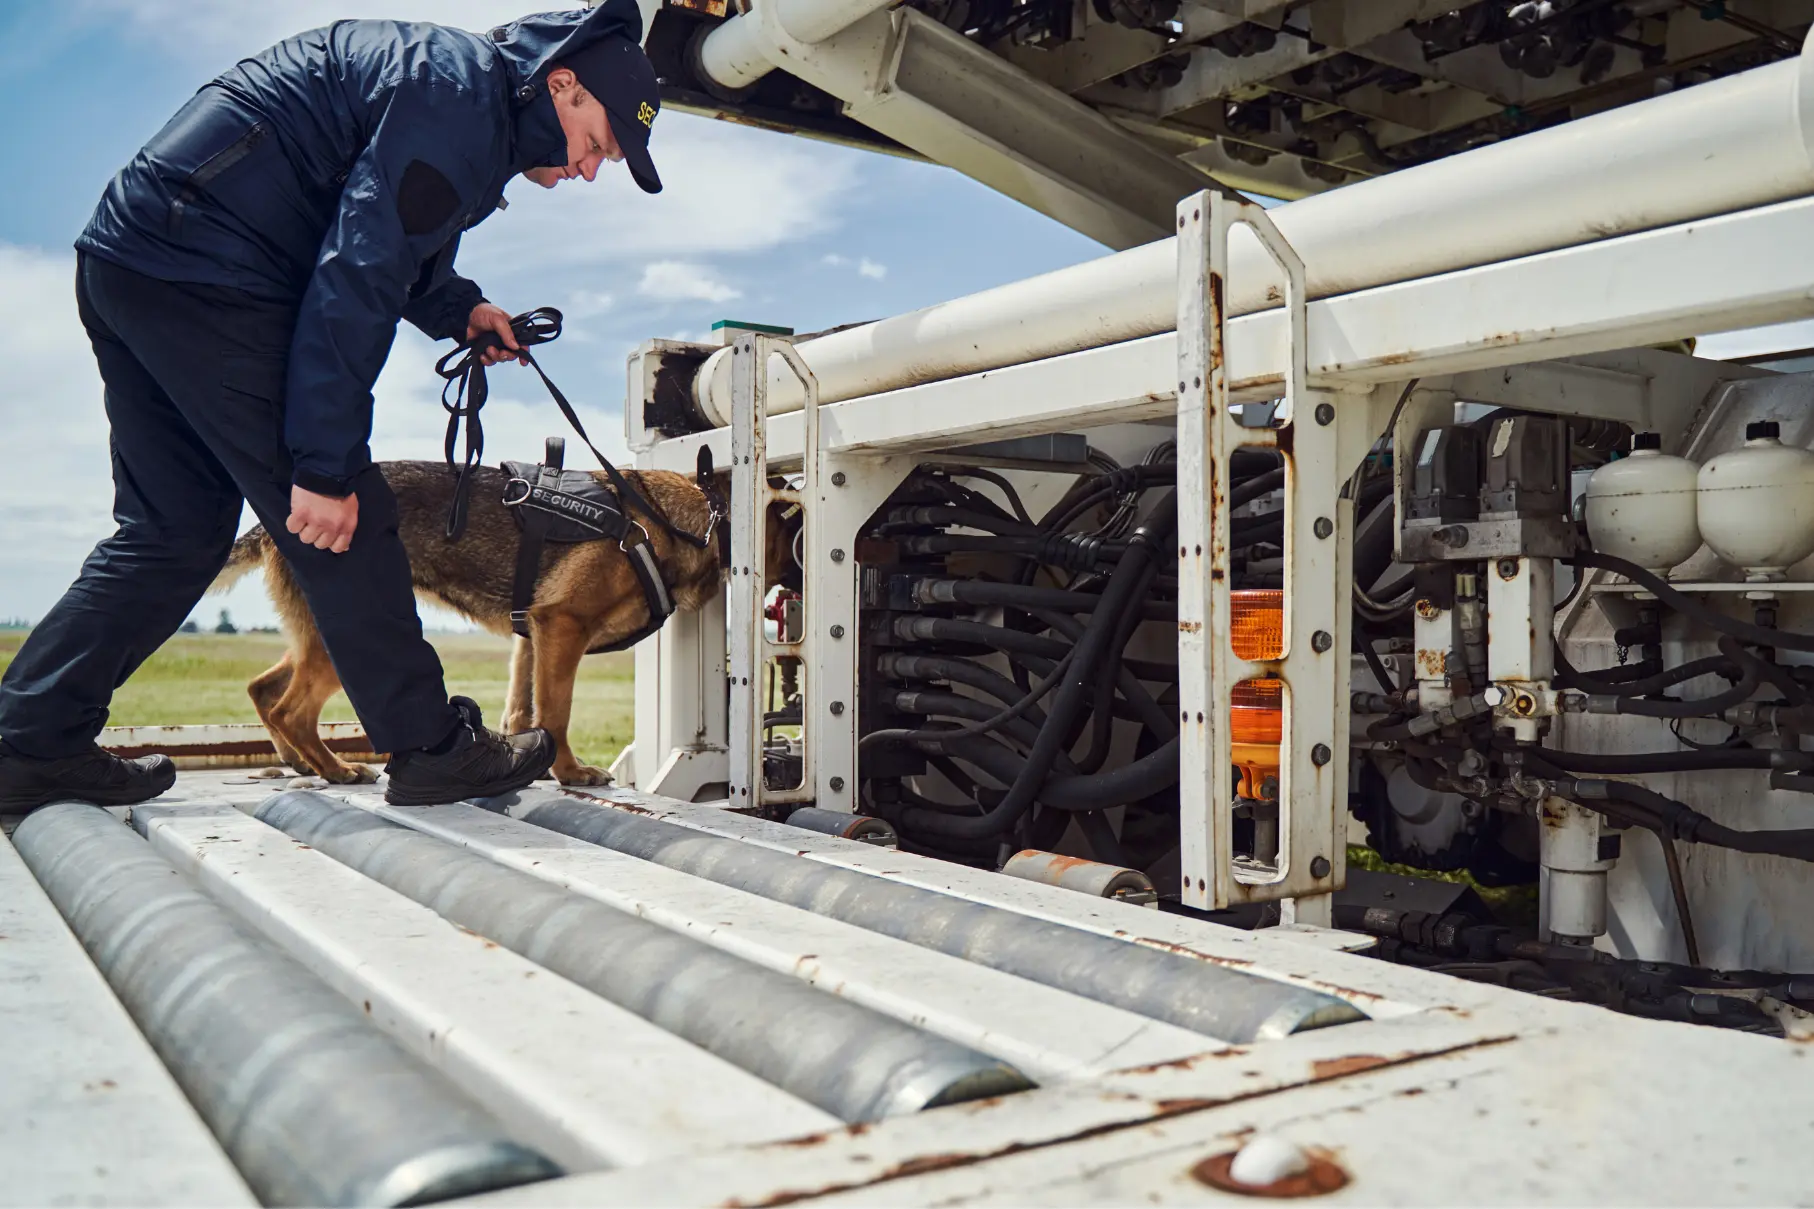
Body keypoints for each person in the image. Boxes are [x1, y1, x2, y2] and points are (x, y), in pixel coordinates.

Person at [0, 1, 665, 811]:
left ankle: (29, 742)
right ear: (564, 85)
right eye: (598, 143)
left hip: (135, 257)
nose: (591, 169)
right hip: (209, 267)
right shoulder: (459, 106)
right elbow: (354, 277)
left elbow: (387, 237)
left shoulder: (465, 94)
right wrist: (322, 463)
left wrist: (460, 310)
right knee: (344, 513)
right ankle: (431, 746)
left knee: (171, 531)